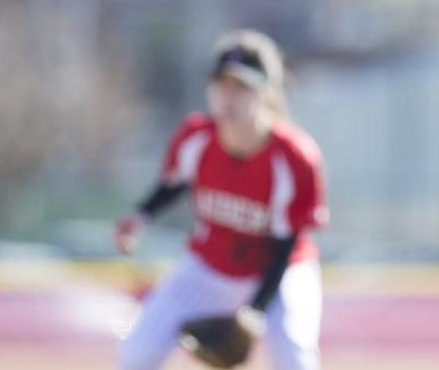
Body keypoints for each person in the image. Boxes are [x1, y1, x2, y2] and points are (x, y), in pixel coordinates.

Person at [115, 29, 329, 370]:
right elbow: (174, 182)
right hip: (209, 266)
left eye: (241, 87)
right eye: (221, 85)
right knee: (135, 354)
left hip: (280, 273)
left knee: (296, 360)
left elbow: (284, 243)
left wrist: (255, 310)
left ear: (266, 92)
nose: (228, 97)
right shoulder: (196, 137)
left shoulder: (293, 158)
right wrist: (140, 216)